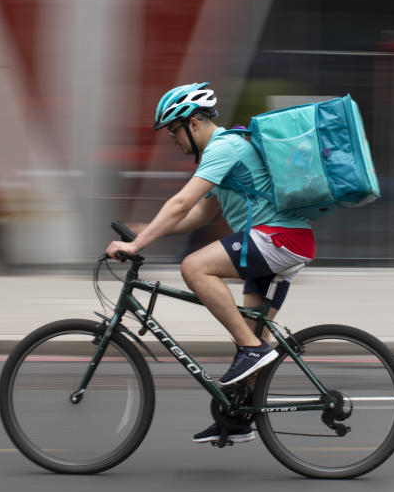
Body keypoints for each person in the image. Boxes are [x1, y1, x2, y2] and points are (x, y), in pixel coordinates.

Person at [105, 82, 315, 444]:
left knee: (194, 267)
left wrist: (140, 243)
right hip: (279, 244)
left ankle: (252, 350)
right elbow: (201, 213)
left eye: (174, 129)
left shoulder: (224, 147)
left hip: (277, 239)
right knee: (251, 334)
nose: (172, 138)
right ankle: (238, 418)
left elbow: (180, 203)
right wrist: (145, 232)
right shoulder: (222, 152)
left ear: (195, 123)